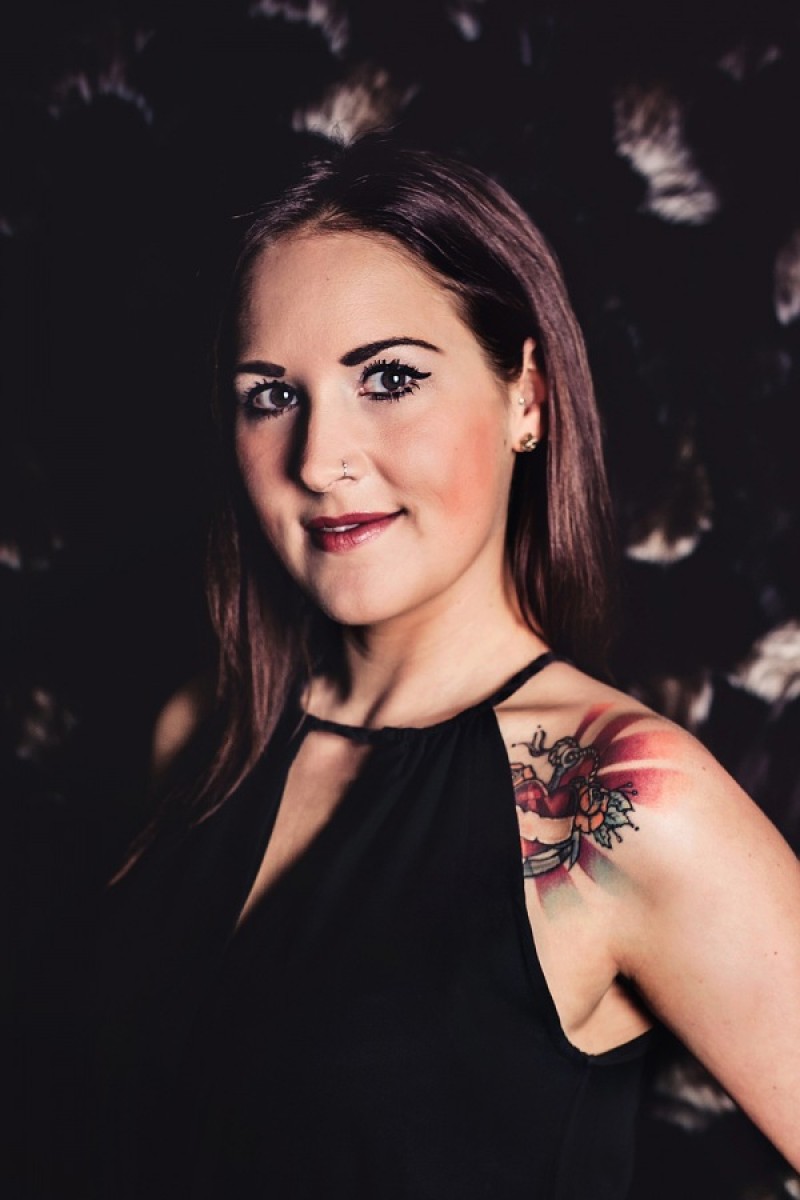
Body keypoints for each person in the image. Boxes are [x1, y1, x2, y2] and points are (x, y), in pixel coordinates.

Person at [91, 134, 800, 1199]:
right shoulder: (202, 731)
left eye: (389, 378)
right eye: (270, 395)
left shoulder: (621, 800)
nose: (321, 461)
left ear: (527, 397)